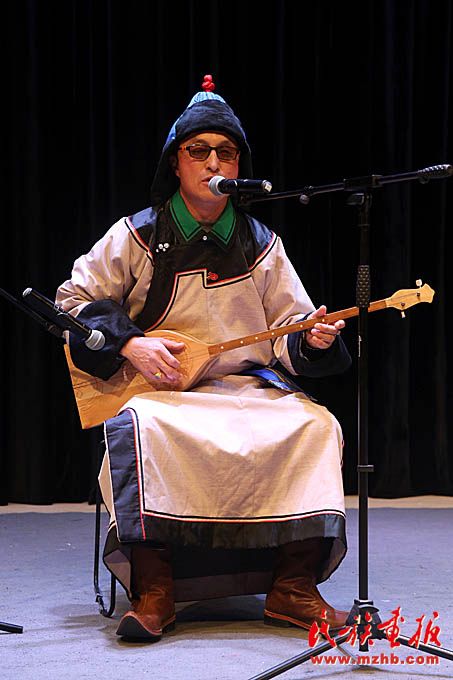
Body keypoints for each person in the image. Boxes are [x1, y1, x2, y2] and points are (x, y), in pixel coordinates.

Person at [56, 75, 352, 642]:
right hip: (163, 391)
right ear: (176, 163)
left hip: (247, 388)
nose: (214, 161)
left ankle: (292, 589)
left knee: (316, 426)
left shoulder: (261, 243)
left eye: (226, 152)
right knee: (141, 427)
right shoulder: (137, 235)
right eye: (199, 150)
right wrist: (130, 343)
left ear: (239, 166)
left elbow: (290, 327)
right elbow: (71, 302)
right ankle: (154, 591)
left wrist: (311, 340)